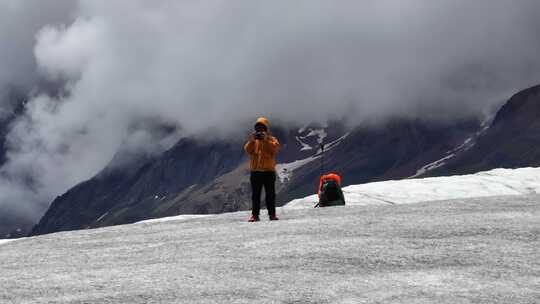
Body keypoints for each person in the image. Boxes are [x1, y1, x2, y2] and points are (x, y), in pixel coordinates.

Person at [244, 117, 281, 222]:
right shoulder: (254, 141)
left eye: (262, 128)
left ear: (266, 129)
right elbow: (247, 149)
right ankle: (255, 215)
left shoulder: (272, 139)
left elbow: (275, 149)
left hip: (269, 171)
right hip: (256, 171)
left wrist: (265, 140)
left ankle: (272, 214)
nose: (260, 131)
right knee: (255, 195)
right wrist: (252, 140)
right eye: (258, 129)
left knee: (270, 195)